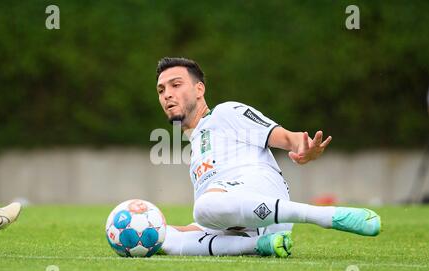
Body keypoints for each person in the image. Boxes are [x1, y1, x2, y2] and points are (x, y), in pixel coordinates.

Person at [155, 57, 381, 257]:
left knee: (204, 207)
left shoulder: (225, 113)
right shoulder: (195, 152)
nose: (168, 94)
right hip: (243, 222)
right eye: (161, 90)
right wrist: (158, 231)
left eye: (176, 85)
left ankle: (324, 215)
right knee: (166, 238)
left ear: (199, 90)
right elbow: (213, 218)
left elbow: (283, 136)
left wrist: (302, 146)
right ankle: (260, 245)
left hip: (261, 189)